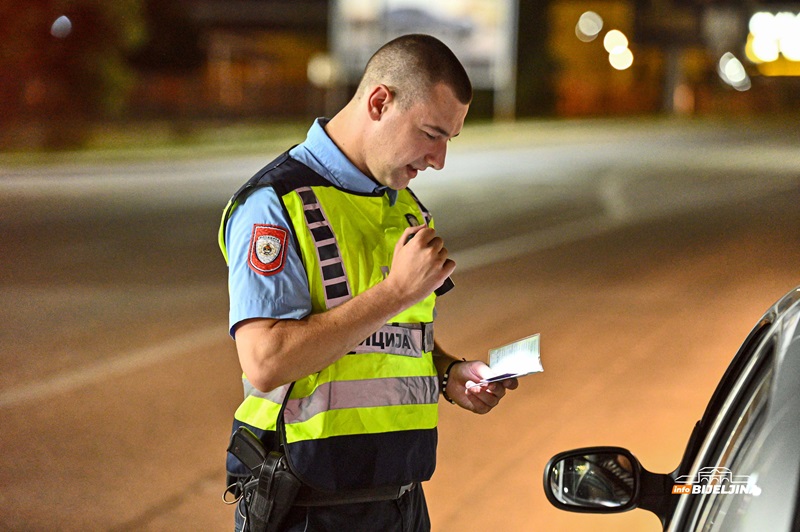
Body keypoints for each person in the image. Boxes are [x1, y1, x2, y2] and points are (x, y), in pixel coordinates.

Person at [219, 33, 518, 531]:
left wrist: (448, 373)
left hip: (401, 502)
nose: (439, 159)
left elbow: (396, 336)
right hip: (309, 509)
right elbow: (265, 361)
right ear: (379, 101)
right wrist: (395, 291)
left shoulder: (404, 206)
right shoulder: (275, 204)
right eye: (431, 133)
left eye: (449, 139)